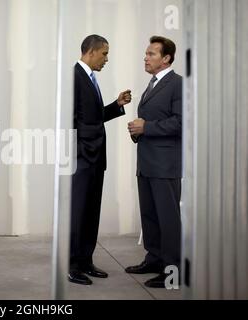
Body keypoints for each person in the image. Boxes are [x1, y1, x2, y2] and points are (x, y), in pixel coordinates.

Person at [69, 35, 132, 285]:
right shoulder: (74, 76)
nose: (107, 59)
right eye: (104, 53)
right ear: (91, 51)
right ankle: (72, 265)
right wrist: (81, 152)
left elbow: (91, 118)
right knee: (78, 213)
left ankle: (86, 260)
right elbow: (70, 119)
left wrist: (116, 105)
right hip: (82, 159)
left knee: (91, 211)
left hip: (95, 158)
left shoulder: (91, 79)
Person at [126, 36, 182, 288]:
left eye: (151, 54)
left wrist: (146, 126)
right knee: (150, 215)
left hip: (165, 164)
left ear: (166, 58)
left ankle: (172, 272)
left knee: (168, 218)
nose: (145, 58)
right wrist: (138, 131)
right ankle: (154, 258)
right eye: (146, 54)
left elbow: (182, 123)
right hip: (147, 162)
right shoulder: (152, 83)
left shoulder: (177, 84)